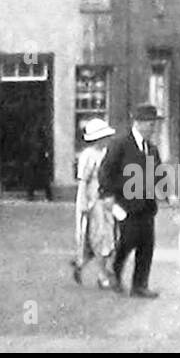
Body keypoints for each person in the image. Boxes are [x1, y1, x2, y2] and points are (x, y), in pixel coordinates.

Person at [99, 103, 177, 298]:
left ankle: (140, 285)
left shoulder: (151, 149)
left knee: (146, 245)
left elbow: (158, 174)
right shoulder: (120, 144)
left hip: (146, 205)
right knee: (127, 241)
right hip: (125, 203)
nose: (153, 128)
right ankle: (113, 273)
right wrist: (106, 194)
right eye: (151, 124)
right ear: (139, 123)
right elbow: (106, 171)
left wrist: (169, 194)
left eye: (154, 124)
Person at [72, 117, 117, 288]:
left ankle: (83, 265)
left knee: (110, 234)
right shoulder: (88, 155)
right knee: (99, 235)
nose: (105, 140)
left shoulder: (109, 153)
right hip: (93, 198)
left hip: (109, 197)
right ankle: (102, 274)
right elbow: (83, 180)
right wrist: (83, 202)